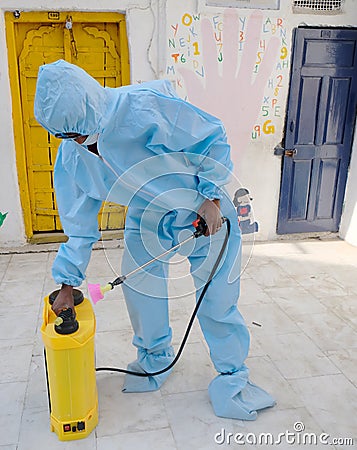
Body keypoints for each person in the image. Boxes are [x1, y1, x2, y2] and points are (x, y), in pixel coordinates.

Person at [34, 59, 275, 420]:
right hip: (148, 215)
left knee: (216, 298)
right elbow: (79, 226)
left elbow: (211, 136)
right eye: (67, 136)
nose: (77, 141)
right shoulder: (73, 157)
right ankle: (155, 360)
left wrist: (211, 197)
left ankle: (233, 378)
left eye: (79, 131)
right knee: (140, 286)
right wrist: (67, 283)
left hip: (198, 205)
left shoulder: (142, 107)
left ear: (90, 104)